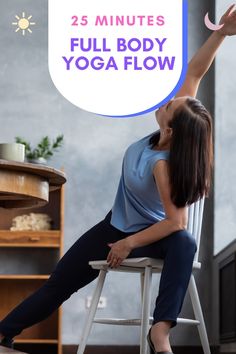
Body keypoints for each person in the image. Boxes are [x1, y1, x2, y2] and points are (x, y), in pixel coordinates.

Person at [1, 5, 236, 354]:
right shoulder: (169, 131)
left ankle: (160, 332)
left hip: (151, 235)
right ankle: (5, 331)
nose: (170, 99)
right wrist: (220, 34)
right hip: (114, 227)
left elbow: (176, 222)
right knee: (58, 284)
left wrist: (129, 244)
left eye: (172, 104)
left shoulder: (163, 165)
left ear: (170, 130)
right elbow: (195, 72)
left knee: (184, 242)